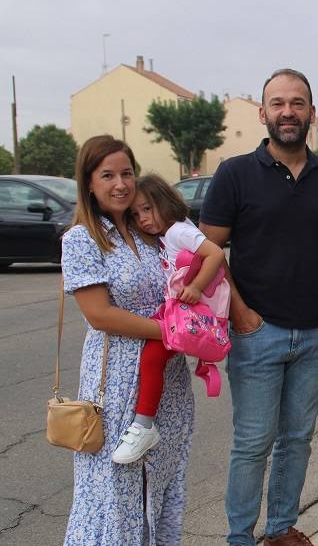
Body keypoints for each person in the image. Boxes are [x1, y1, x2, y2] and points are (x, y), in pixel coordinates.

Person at [198, 68, 318, 546]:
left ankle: (282, 528)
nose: (288, 112)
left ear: (311, 112)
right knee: (252, 444)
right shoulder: (235, 174)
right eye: (279, 103)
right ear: (263, 112)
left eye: (297, 103)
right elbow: (206, 254)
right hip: (256, 334)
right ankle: (240, 537)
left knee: (297, 441)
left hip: (315, 335)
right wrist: (240, 313)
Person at [61, 135, 194, 545]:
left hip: (167, 382)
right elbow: (98, 314)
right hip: (118, 381)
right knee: (115, 488)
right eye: (107, 175)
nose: (120, 184)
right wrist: (171, 332)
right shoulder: (82, 238)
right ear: (89, 183)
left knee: (162, 482)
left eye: (126, 173)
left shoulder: (151, 232)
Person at [109, 174, 225, 464]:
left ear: (164, 201)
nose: (143, 219)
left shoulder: (178, 231)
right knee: (152, 359)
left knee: (151, 357)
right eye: (136, 214)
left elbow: (215, 253)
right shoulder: (167, 233)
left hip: (189, 312)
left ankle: (143, 425)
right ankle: (144, 424)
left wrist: (196, 287)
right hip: (182, 311)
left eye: (147, 209)